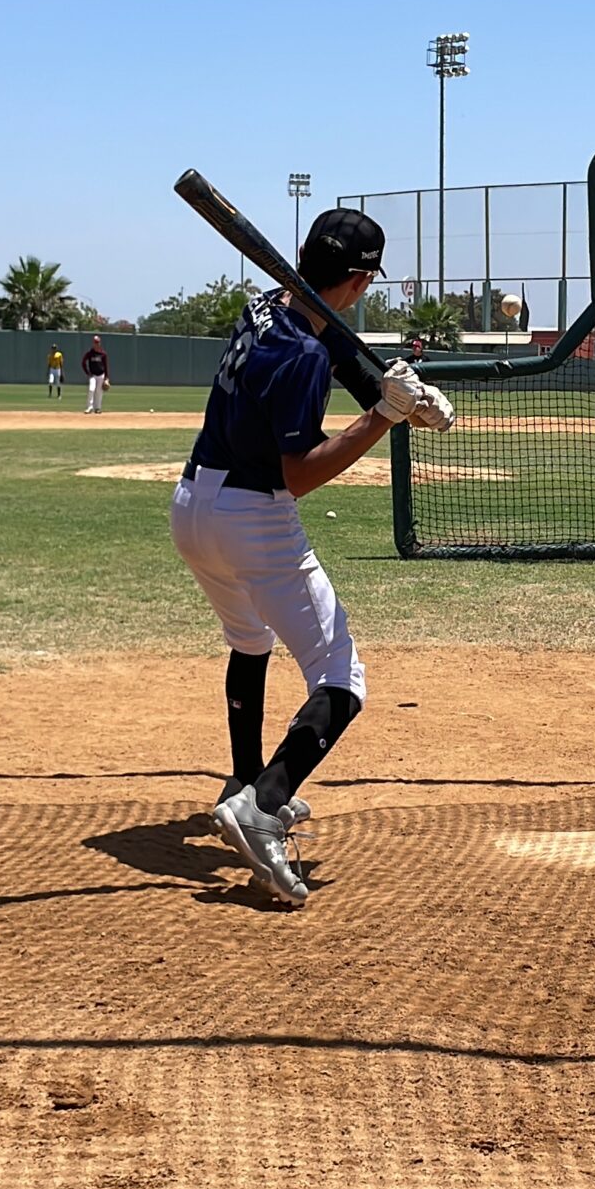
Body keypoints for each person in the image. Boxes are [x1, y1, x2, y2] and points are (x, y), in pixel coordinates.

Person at [171, 207, 451, 907]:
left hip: (193, 507)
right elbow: (301, 473)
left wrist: (393, 393)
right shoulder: (299, 354)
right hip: (254, 517)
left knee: (249, 639)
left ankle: (243, 779)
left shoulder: (269, 305)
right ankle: (262, 806)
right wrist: (382, 416)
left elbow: (333, 340)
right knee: (341, 676)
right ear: (358, 280)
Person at [82, 335, 111, 413]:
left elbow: (106, 366)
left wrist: (107, 377)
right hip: (93, 375)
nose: (96, 344)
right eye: (95, 342)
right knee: (91, 389)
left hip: (101, 375)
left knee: (99, 392)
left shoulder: (103, 354)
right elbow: (83, 363)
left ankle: (97, 408)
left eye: (97, 342)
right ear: (93, 343)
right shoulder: (90, 353)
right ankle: (89, 407)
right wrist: (87, 372)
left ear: (99, 343)